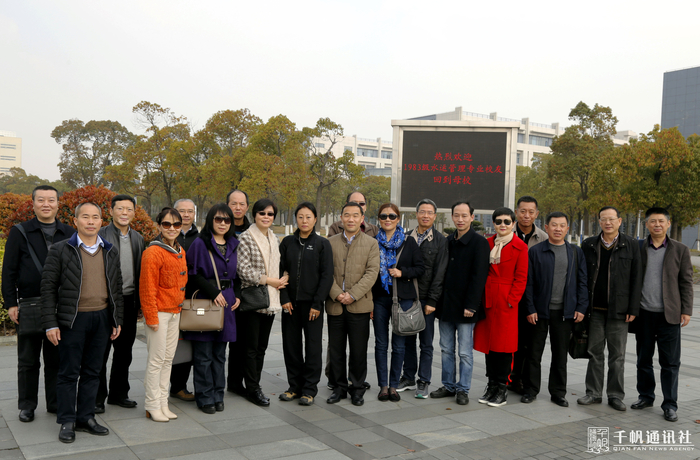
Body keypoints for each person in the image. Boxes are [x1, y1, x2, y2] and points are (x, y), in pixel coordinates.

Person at [41, 202, 123, 443]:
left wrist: (116, 319)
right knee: (69, 372)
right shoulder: (60, 250)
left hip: (102, 318)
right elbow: (47, 289)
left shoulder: (110, 250)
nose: (90, 221)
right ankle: (67, 420)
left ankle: (86, 417)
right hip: (72, 319)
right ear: (75, 221)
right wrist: (50, 323)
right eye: (85, 217)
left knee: (93, 371)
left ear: (101, 222)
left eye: (95, 217)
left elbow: (117, 288)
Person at [2, 185, 75, 423]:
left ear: (58, 204)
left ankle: (55, 403)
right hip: (30, 305)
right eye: (41, 200)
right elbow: (9, 270)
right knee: (28, 360)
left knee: (56, 359)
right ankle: (27, 405)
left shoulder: (69, 232)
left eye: (51, 200)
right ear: (32, 203)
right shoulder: (20, 232)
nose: (46, 204)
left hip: (61, 306)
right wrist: (11, 303)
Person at [519, 212, 588, 407]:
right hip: (539, 312)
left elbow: (582, 281)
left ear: (567, 229)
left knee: (560, 354)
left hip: (565, 312)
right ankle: (530, 390)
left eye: (562, 225)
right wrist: (530, 308)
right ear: (546, 228)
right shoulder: (536, 251)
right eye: (554, 225)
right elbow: (528, 283)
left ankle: (558, 393)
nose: (558, 229)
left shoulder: (575, 252)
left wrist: (581, 307)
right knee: (533, 353)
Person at [631, 208, 693, 422]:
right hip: (644, 314)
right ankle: (645, 396)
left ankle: (670, 404)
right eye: (653, 221)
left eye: (661, 221)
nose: (657, 225)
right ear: (646, 224)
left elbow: (686, 281)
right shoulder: (638, 247)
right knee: (643, 360)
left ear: (668, 223)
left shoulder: (680, 249)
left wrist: (686, 310)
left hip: (670, 315)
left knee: (670, 362)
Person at [578, 207, 642, 411]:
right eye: (604, 219)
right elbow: (581, 276)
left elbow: (637, 278)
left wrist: (633, 308)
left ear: (619, 221)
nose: (608, 223)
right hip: (595, 310)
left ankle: (615, 395)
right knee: (594, 352)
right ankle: (593, 393)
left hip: (619, 311)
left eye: (611, 219)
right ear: (599, 221)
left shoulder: (631, 245)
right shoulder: (589, 244)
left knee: (617, 355)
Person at [184, 204, 241, 414]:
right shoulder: (200, 243)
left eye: (227, 220)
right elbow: (192, 274)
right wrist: (213, 292)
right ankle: (205, 396)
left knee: (220, 354)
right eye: (218, 219)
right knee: (203, 355)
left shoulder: (234, 243)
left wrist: (238, 295)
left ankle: (218, 394)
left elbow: (237, 275)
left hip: (227, 302)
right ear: (210, 220)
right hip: (206, 301)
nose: (223, 223)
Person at [431, 201, 489, 405]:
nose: (460, 219)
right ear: (452, 217)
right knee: (446, 348)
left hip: (466, 307)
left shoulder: (479, 243)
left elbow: (479, 277)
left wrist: (471, 305)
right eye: (457, 215)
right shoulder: (447, 240)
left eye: (465, 215)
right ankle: (448, 385)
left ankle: (463, 389)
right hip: (446, 306)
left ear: (472, 217)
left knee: (464, 352)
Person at [278, 202, 334, 406]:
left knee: (313, 347)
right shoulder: (287, 243)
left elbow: (327, 276)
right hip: (290, 305)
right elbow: (280, 271)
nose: (304, 221)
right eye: (300, 217)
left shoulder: (322, 244)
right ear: (296, 219)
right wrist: (284, 298)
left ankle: (309, 389)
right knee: (291, 346)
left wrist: (317, 303)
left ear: (315, 219)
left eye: (308, 217)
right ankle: (294, 386)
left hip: (312, 306)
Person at [326, 201, 380, 406]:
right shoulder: (330, 243)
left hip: (360, 306)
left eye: (355, 215)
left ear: (362, 218)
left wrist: (353, 295)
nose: (351, 219)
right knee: (336, 350)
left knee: (358, 351)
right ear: (341, 218)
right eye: (347, 215)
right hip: (335, 305)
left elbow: (372, 273)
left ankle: (357, 389)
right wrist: (337, 294)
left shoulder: (371, 243)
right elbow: (325, 272)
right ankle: (339, 387)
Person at [473, 207, 528, 407]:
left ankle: (502, 388)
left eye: (506, 221)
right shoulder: (487, 243)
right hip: (488, 299)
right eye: (498, 221)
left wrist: (511, 300)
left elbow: (521, 278)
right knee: (489, 346)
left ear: (513, 224)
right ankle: (491, 385)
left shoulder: (520, 247)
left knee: (504, 347)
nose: (502, 225)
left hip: (506, 302)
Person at [96, 194, 145, 413]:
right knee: (100, 351)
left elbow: (140, 271)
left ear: (134, 212)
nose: (125, 213)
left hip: (129, 301)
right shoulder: (100, 235)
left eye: (129, 209)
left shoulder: (138, 238)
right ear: (111, 211)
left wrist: (140, 303)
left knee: (124, 352)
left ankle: (119, 394)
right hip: (106, 301)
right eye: (120, 209)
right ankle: (97, 397)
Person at [236, 198, 288, 406]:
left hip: (271, 300)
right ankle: (252, 389)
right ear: (255, 215)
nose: (266, 217)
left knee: (261, 347)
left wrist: (283, 277)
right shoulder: (245, 238)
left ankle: (254, 384)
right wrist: (269, 280)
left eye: (270, 214)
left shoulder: (274, 238)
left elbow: (280, 264)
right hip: (253, 299)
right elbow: (243, 270)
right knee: (250, 348)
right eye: (262, 213)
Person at [372, 204, 424, 402]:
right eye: (384, 216)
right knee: (380, 344)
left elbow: (420, 268)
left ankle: (394, 385)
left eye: (392, 216)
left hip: (403, 299)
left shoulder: (409, 242)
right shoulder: (373, 242)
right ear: (379, 219)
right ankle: (383, 386)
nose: (388, 219)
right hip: (379, 299)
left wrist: (403, 273)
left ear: (398, 218)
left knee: (399, 345)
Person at [140, 207, 188, 422]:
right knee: (156, 360)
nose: (172, 228)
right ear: (159, 226)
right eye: (167, 224)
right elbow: (147, 288)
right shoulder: (153, 252)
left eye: (176, 224)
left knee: (168, 360)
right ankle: (152, 404)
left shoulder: (179, 250)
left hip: (175, 312)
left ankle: (162, 403)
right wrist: (151, 318)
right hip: (159, 313)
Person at [398, 199, 448, 399]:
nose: (425, 215)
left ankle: (424, 380)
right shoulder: (405, 237)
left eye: (429, 212)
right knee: (408, 339)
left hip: (427, 300)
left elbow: (440, 273)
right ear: (416, 214)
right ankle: (408, 377)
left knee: (426, 343)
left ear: (434, 216)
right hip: (407, 297)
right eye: (422, 212)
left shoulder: (440, 240)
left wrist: (433, 301)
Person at [509, 196, 549, 394]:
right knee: (511, 343)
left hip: (533, 301)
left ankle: (526, 382)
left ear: (536, 214)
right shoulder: (507, 234)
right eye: (523, 211)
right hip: (511, 299)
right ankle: (510, 379)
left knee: (530, 345)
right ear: (516, 212)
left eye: (531, 212)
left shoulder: (544, 238)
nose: (526, 215)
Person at [169, 198, 198, 402]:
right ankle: (165, 385)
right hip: (170, 300)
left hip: (193, 299)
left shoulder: (202, 237)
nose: (186, 215)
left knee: (188, 344)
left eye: (190, 211)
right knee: (169, 345)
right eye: (182, 211)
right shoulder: (167, 236)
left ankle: (179, 386)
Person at [226, 189, 251, 396]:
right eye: (234, 203)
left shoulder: (253, 230)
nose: (238, 207)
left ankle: (235, 382)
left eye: (241, 204)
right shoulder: (220, 227)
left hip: (247, 294)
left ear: (247, 207)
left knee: (241, 342)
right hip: (223, 292)